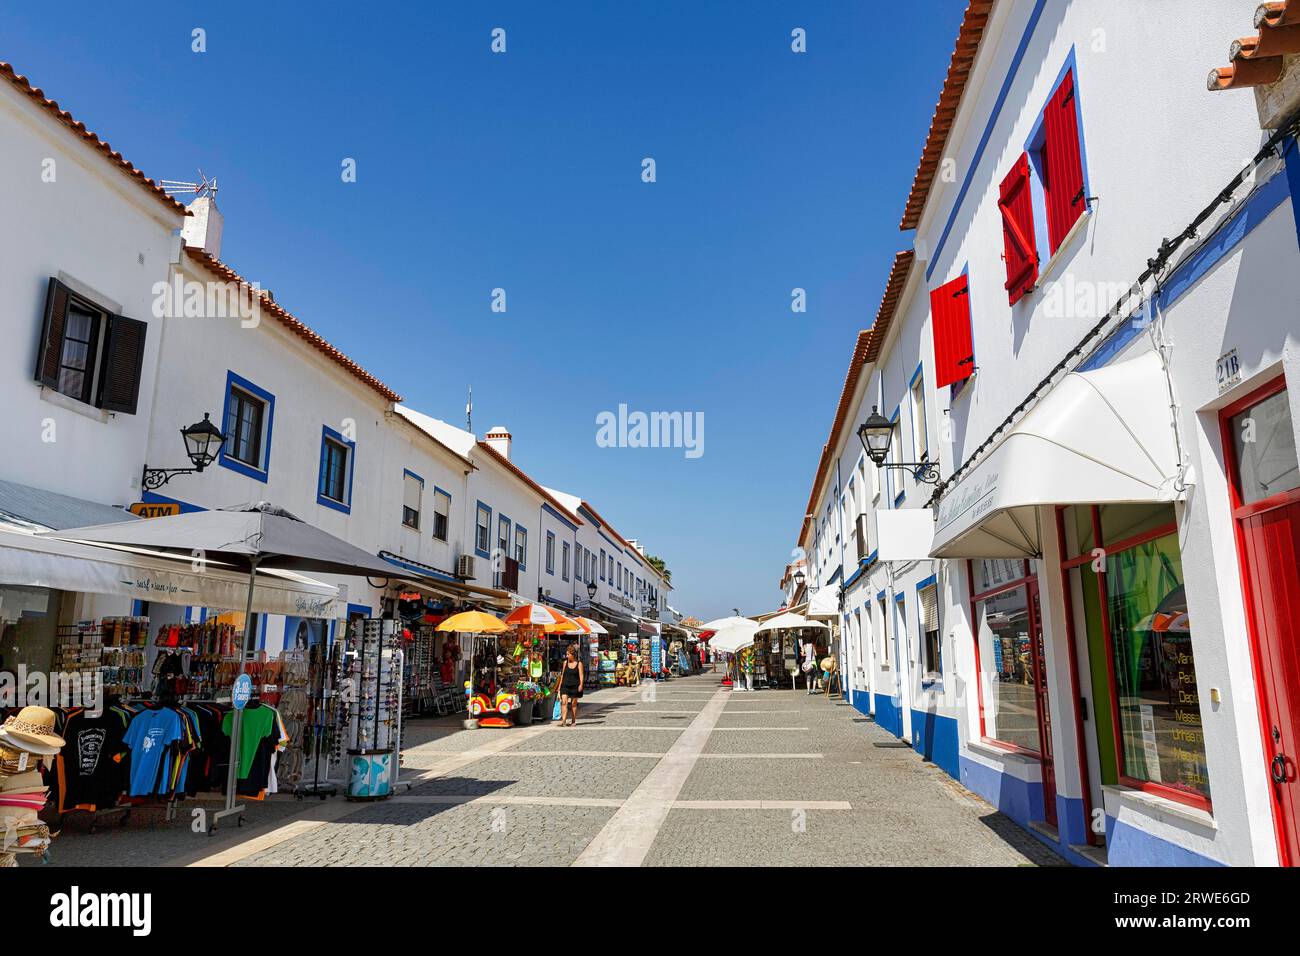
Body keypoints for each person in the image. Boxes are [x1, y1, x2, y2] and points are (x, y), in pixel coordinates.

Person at [559, 642, 584, 727]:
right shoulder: (565, 663)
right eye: (566, 654)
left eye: (568, 654)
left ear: (573, 654)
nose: (567, 656)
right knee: (564, 702)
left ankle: (573, 720)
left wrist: (581, 684)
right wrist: (559, 687)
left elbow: (581, 675)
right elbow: (562, 675)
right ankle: (564, 721)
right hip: (565, 685)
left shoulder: (579, 664)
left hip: (575, 685)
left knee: (573, 703)